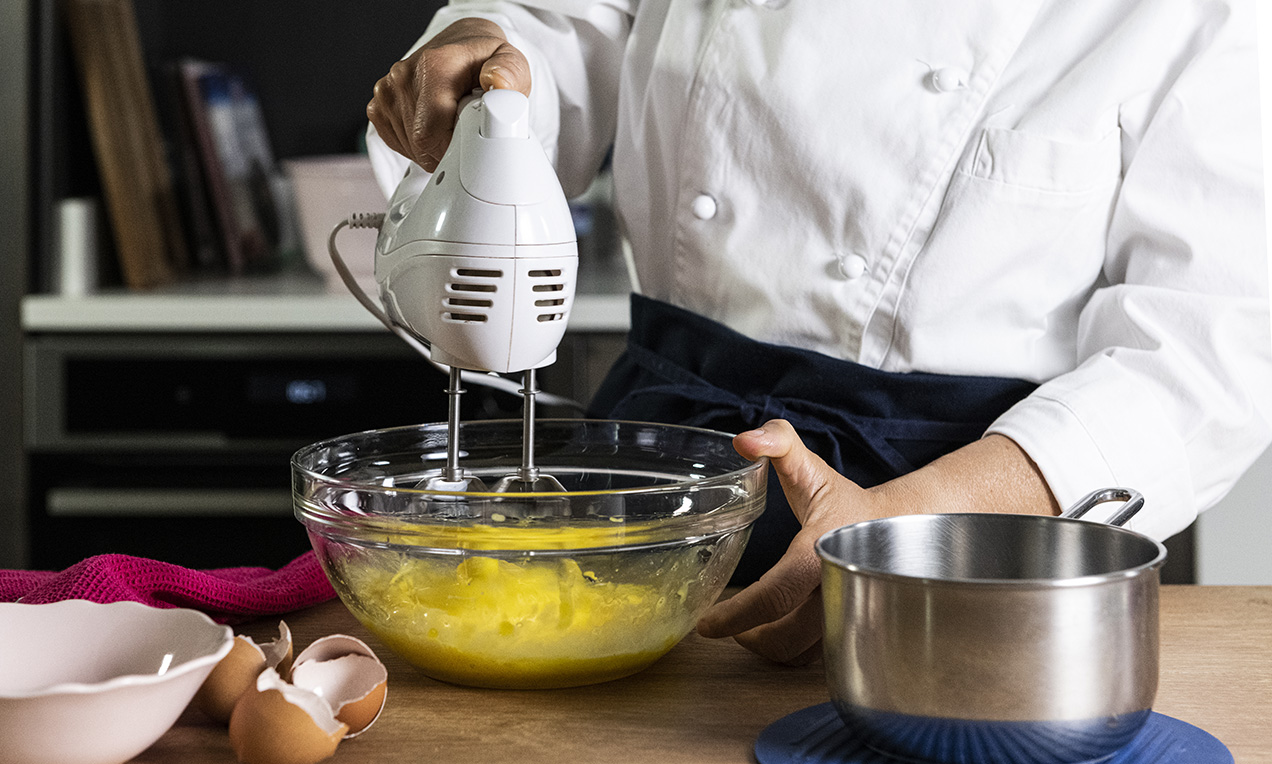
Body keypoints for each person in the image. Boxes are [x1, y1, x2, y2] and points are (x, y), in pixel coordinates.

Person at [365, 1, 1271, 664]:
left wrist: (903, 531)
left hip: (965, 534)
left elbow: (1210, 347)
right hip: (661, 474)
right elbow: (568, 23)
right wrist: (485, 61)